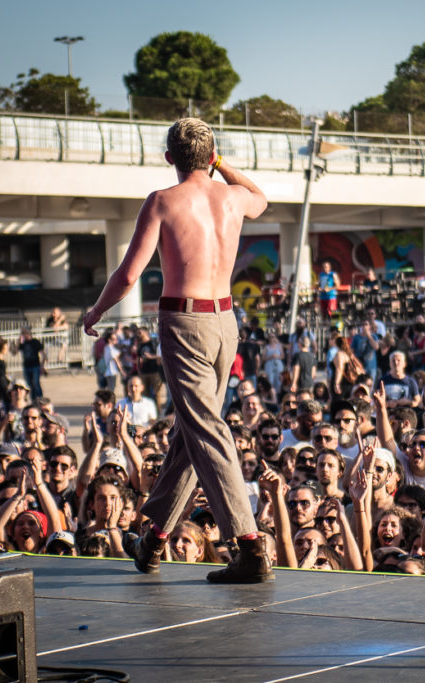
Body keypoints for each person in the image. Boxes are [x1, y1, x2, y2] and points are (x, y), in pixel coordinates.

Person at [82, 118, 271, 584]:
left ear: (169, 158)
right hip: (226, 322)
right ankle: (155, 539)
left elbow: (128, 276)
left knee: (205, 428)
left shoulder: (162, 201)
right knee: (190, 433)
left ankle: (248, 547)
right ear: (211, 156)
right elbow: (261, 199)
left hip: (184, 321)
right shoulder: (232, 198)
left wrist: (96, 312)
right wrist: (222, 164)